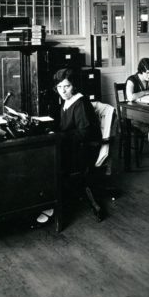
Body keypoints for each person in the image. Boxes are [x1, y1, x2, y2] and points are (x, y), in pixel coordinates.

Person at [37, 68, 102, 224]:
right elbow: (67, 127)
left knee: (46, 162)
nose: (63, 91)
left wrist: (59, 136)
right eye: (59, 87)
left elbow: (84, 133)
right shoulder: (67, 102)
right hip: (72, 145)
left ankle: (52, 205)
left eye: (66, 86)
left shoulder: (80, 102)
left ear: (74, 86)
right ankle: (48, 201)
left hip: (85, 149)